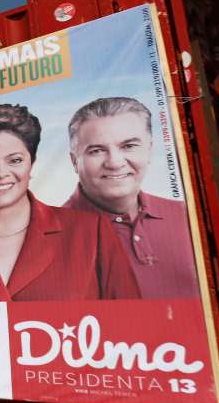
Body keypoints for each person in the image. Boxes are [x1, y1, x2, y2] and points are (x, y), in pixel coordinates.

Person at [0, 104, 141, 303]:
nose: (2, 173)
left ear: (31, 164)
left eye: (15, 160)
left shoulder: (92, 232)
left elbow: (132, 323)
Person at [63, 97, 199, 298]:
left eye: (128, 146)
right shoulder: (48, 235)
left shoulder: (187, 216)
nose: (115, 162)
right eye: (97, 150)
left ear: (149, 150)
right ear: (75, 162)